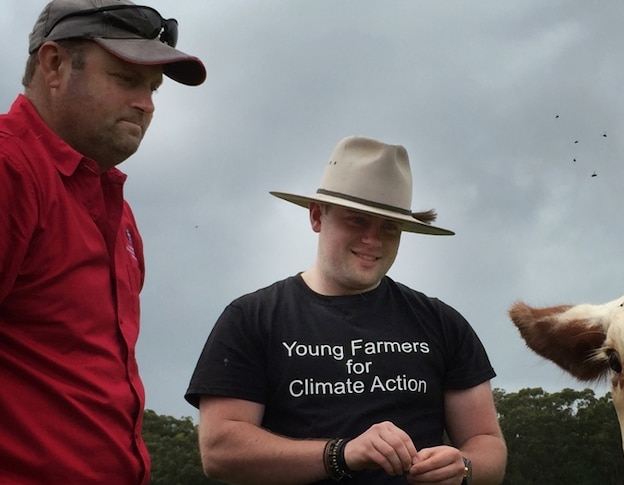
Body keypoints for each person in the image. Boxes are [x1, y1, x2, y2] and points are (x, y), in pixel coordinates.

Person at [185, 135, 507, 484]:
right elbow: (219, 452)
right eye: (357, 220)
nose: (373, 239)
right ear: (316, 216)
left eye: (390, 227)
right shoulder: (252, 318)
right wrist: (343, 454)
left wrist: (464, 467)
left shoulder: (442, 323)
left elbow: (487, 442)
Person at [0, 1, 206, 483]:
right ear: (53, 65)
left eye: (153, 88)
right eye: (125, 79)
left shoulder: (115, 205)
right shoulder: (11, 168)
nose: (147, 104)